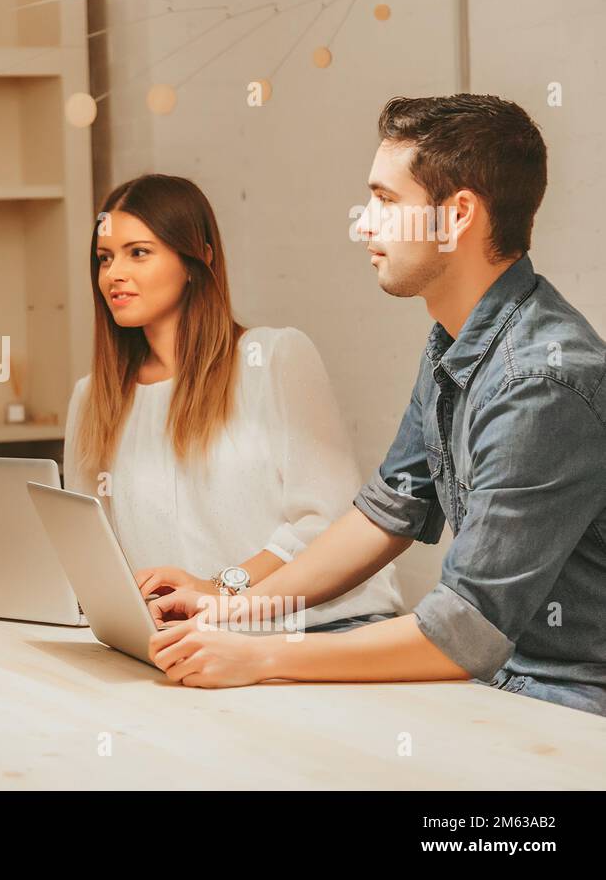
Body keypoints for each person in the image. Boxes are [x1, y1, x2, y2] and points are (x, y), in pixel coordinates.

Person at [148, 95, 606, 717]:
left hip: (564, 705)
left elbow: (463, 629)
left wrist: (261, 656)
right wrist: (235, 609)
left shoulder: (539, 382)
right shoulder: (456, 338)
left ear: (457, 216)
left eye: (387, 201)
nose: (363, 224)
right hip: (494, 686)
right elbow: (387, 512)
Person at [64, 173, 401, 631]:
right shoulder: (92, 400)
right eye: (104, 258)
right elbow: (91, 553)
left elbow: (329, 521)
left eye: (138, 252)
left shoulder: (275, 358)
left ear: (196, 259)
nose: (114, 274)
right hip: (190, 645)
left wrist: (220, 587)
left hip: (320, 628)